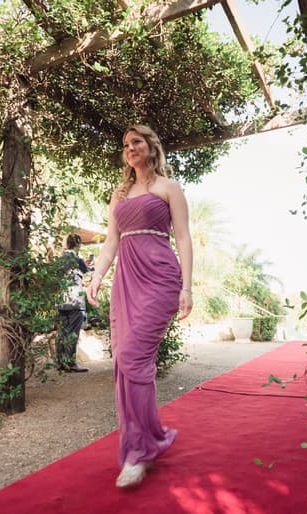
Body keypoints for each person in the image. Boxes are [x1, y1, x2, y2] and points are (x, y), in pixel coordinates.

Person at [87, 124, 193, 488]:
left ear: (151, 146)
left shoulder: (169, 188)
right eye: (125, 144)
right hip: (126, 282)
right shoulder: (118, 195)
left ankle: (140, 450)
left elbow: (183, 237)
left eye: (136, 142)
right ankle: (146, 441)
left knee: (134, 357)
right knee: (123, 360)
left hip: (160, 277)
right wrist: (97, 276)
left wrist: (187, 288)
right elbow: (110, 243)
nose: (130, 148)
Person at [56, 233, 90, 373]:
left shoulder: (59, 260)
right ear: (78, 244)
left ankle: (61, 362)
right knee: (73, 332)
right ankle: (70, 362)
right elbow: (88, 276)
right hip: (75, 301)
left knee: (62, 331)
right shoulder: (78, 260)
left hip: (61, 301)